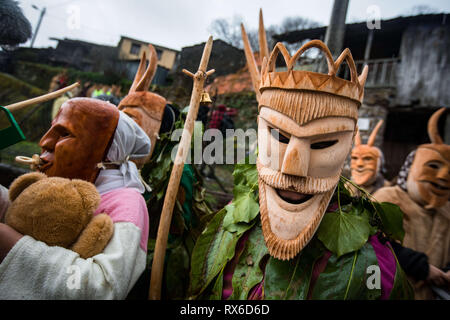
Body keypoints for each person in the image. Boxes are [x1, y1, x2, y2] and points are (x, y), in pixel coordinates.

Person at [188, 12, 413, 300]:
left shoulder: (374, 267)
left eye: (323, 143)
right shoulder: (233, 223)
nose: (293, 168)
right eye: (280, 136)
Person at [0, 97, 151, 299]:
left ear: (105, 151)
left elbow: (102, 287)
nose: (44, 142)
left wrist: (14, 247)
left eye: (64, 134)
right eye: (51, 129)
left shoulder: (126, 203)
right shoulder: (54, 183)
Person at [118, 44, 213, 299]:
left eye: (133, 123)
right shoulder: (121, 164)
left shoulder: (178, 173)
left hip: (156, 258)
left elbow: (179, 225)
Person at [374, 108, 450, 299]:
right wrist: (420, 267)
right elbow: (374, 243)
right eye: (433, 167)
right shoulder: (387, 199)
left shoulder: (447, 210)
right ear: (410, 168)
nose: (443, 177)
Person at [348, 120, 390, 195]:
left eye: (367, 159)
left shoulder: (387, 190)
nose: (359, 164)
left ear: (379, 163)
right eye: (354, 158)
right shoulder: (348, 186)